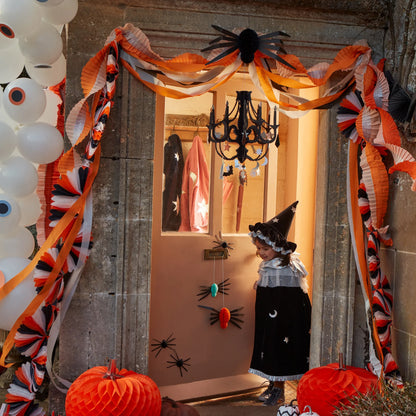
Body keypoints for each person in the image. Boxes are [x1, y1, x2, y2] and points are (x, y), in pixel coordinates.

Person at [248, 201, 311, 406]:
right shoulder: (270, 265)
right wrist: (261, 284)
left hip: (284, 318)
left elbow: (289, 294)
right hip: (270, 315)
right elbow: (273, 284)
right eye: (259, 248)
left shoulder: (288, 267)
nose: (261, 253)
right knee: (269, 347)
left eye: (265, 248)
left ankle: (280, 389)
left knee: (279, 348)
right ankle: (274, 384)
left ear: (277, 246)